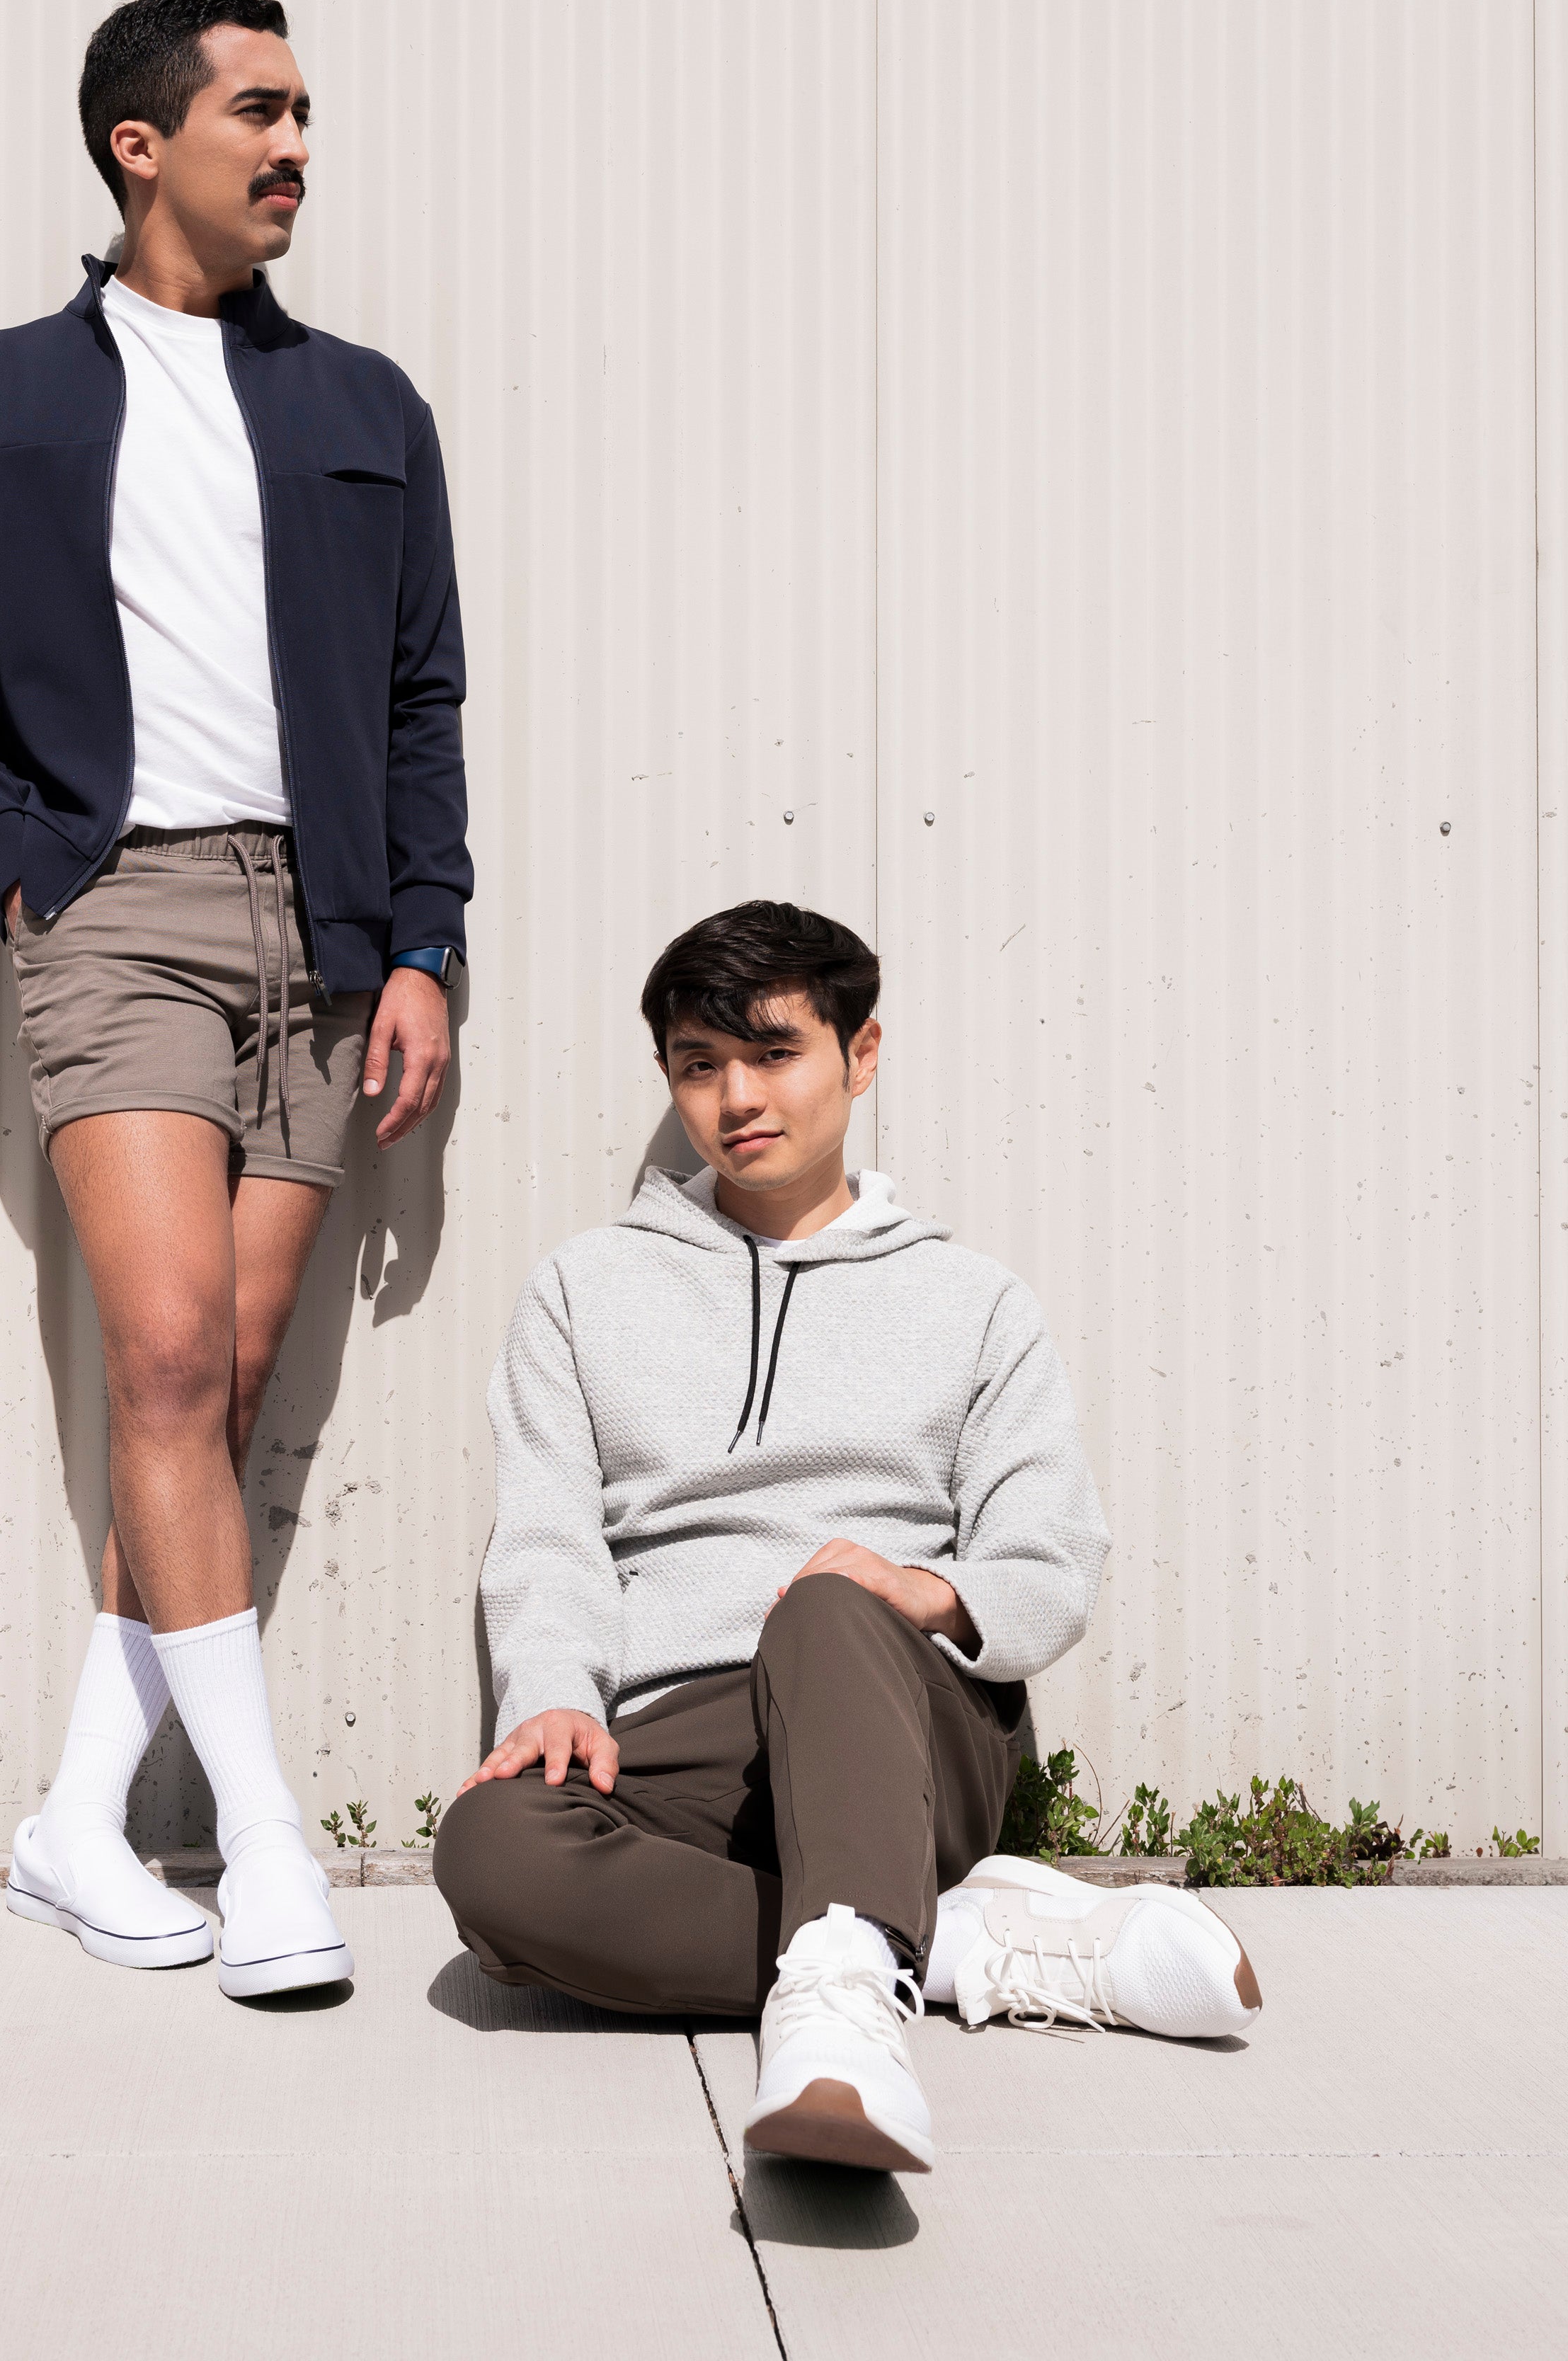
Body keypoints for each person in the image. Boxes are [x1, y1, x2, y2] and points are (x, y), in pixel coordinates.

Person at [0, 0, 470, 1999]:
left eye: (307, 112)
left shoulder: (365, 407)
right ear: (143, 145)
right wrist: (29, 865)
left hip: (325, 938)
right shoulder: (2, 397)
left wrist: (422, 947)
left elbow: (417, 698)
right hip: (118, 912)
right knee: (155, 1362)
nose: (297, 144)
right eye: (259, 112)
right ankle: (267, 1849)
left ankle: (69, 1826)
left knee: (213, 1383)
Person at [433, 901, 1260, 2174]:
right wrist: (551, 1695)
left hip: (907, 1720)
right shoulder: (583, 1290)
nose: (736, 1096)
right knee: (489, 1854)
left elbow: (1052, 1557)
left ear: (859, 1056)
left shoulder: (973, 1302)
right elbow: (547, 1537)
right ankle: (949, 1947)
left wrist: (914, 1592)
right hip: (691, 1747)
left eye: (773, 1053)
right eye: (699, 1066)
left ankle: (843, 2034)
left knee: (821, 1605)